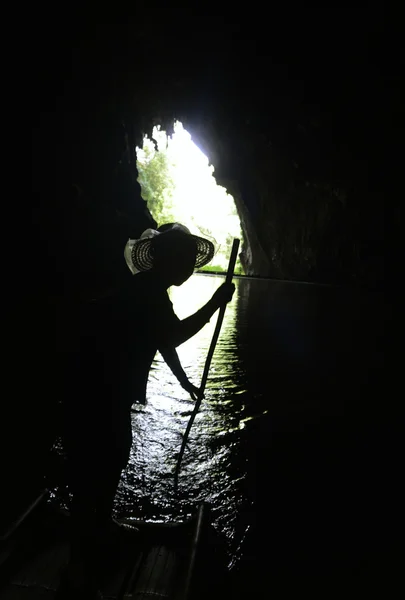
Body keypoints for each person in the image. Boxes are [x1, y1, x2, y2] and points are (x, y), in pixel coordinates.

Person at [60, 223, 235, 598]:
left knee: (112, 457)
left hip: (102, 391)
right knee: (95, 470)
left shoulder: (149, 292)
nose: (189, 268)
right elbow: (170, 334)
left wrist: (182, 379)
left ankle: (101, 526)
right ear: (167, 260)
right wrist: (214, 304)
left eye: (191, 261)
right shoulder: (146, 293)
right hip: (95, 392)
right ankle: (78, 562)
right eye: (185, 260)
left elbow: (158, 337)